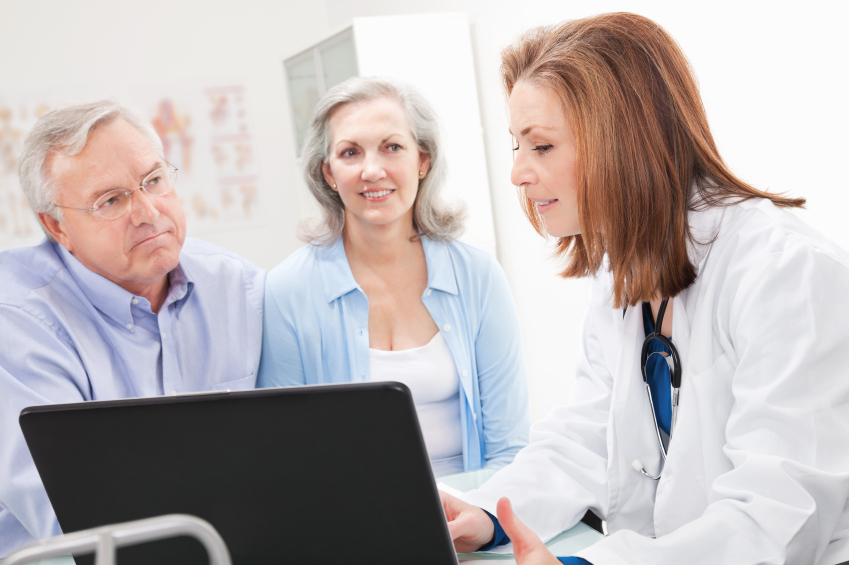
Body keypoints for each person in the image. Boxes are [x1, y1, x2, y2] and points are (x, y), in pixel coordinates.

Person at [439, 12, 849, 565]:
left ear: (622, 142)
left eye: (541, 147)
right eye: (517, 145)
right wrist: (485, 514)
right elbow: (588, 434)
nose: (517, 173)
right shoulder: (623, 265)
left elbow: (776, 515)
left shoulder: (783, 272)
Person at [0, 101, 265, 556]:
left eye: (154, 181)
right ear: (56, 227)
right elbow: (78, 515)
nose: (147, 211)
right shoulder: (17, 320)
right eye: (111, 200)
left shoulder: (240, 288)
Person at [257, 77, 530, 476]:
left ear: (422, 160)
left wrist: (483, 521)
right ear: (328, 173)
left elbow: (510, 447)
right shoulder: (287, 291)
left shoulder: (478, 275)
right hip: (352, 524)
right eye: (350, 152)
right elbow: (285, 455)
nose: (372, 170)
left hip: (478, 513)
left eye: (392, 147)